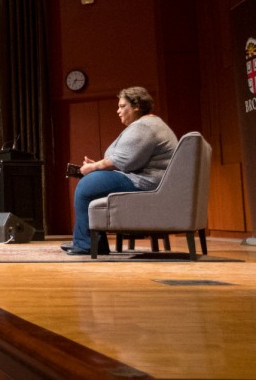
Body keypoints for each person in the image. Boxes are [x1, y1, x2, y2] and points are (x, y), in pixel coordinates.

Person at [63, 87, 178, 255]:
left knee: (87, 185)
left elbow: (124, 160)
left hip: (145, 182)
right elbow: (130, 159)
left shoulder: (144, 127)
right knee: (92, 182)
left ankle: (86, 243)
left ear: (136, 106)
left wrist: (94, 168)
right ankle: (93, 242)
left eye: (122, 106)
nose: (118, 111)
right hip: (142, 178)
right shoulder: (148, 124)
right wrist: (98, 167)